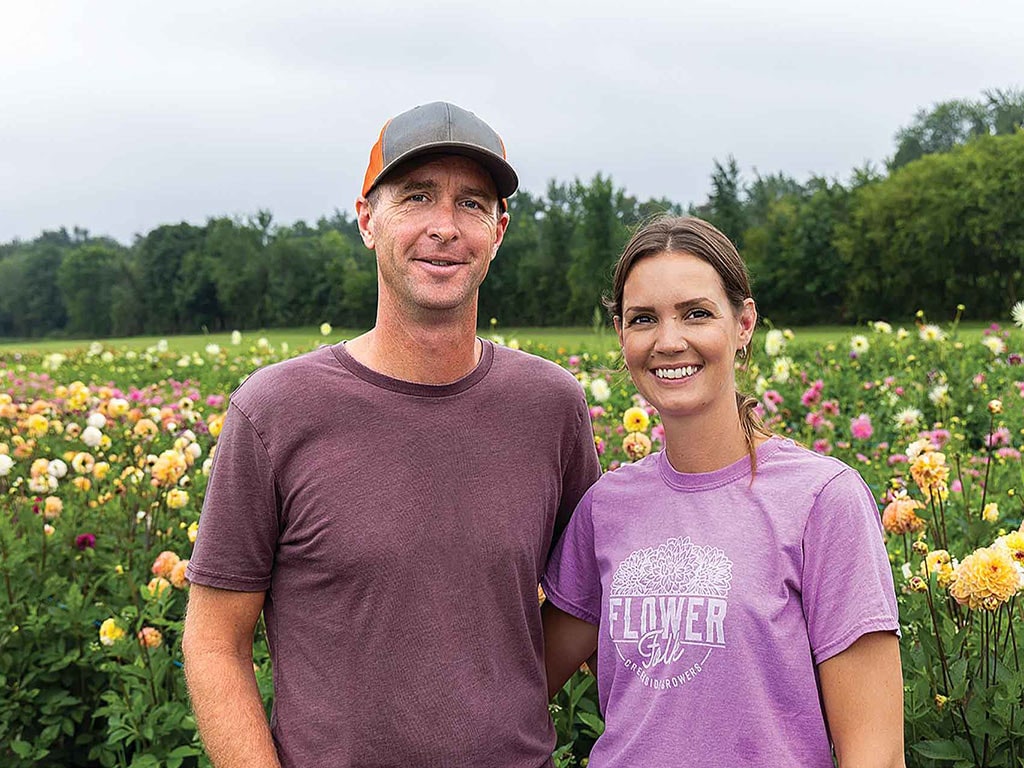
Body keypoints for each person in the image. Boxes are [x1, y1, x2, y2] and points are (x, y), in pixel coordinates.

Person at [182, 101, 601, 768]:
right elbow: (213, 642)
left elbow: (587, 594)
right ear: (366, 219)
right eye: (416, 197)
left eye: (471, 203)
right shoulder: (275, 411)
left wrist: (509, 702)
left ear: (499, 229)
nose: (445, 226)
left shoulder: (550, 406)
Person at [541, 216, 904, 767]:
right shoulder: (606, 505)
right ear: (621, 335)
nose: (669, 341)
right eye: (643, 319)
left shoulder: (823, 499)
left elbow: (874, 756)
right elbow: (521, 682)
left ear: (743, 324)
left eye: (696, 313)